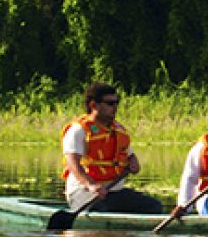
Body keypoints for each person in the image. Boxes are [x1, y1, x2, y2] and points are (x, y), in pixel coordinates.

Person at [61, 82, 163, 214]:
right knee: (103, 211)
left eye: (116, 103)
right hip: (85, 193)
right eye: (110, 103)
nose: (115, 107)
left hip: (114, 191)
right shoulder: (79, 130)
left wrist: (133, 161)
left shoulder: (117, 131)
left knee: (154, 206)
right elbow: (72, 164)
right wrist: (90, 184)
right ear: (93, 105)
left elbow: (129, 154)